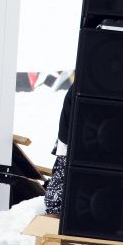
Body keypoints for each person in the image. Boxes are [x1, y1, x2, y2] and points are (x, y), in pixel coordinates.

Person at [44, 84, 75, 215]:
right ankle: (54, 214)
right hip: (70, 143)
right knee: (61, 183)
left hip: (70, 141)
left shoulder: (82, 84)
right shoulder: (81, 86)